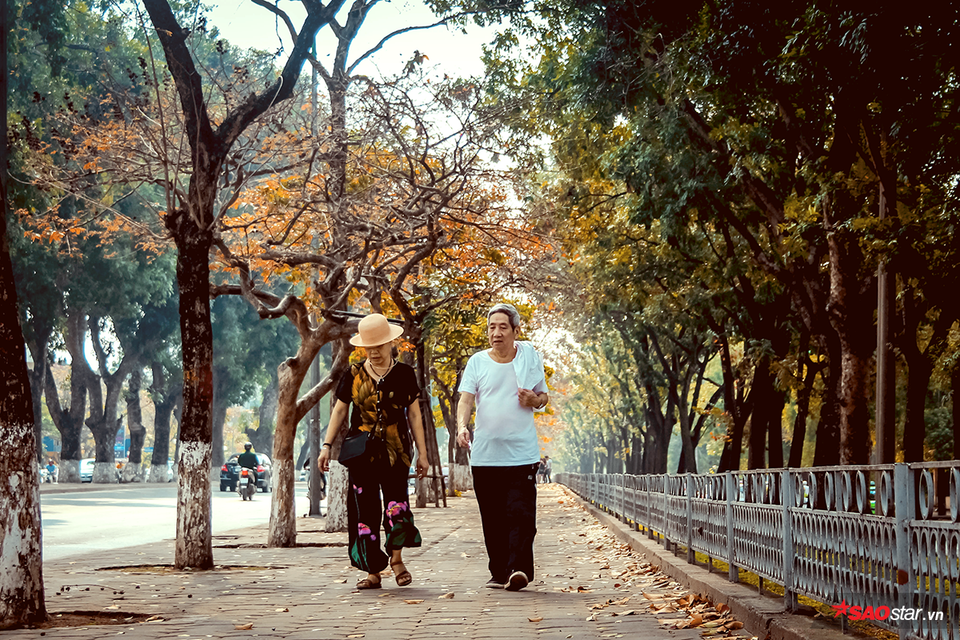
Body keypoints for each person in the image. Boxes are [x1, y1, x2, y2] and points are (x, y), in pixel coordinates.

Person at [318, 313, 430, 590]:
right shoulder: (353, 374)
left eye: (379, 346)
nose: (375, 352)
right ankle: (372, 572)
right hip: (361, 454)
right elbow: (340, 410)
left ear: (391, 343)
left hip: (397, 451)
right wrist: (326, 445)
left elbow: (415, 415)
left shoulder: (404, 374)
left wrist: (423, 453)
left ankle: (397, 560)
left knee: (396, 506)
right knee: (364, 511)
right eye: (369, 347)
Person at [456, 302, 549, 592]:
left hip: (521, 454)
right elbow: (466, 399)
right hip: (485, 456)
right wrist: (462, 426)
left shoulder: (529, 359)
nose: (496, 333)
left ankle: (519, 569)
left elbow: (543, 396)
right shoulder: (477, 362)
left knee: (521, 513)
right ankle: (500, 571)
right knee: (493, 517)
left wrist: (534, 401)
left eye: (502, 327)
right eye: (491, 327)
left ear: (515, 330)